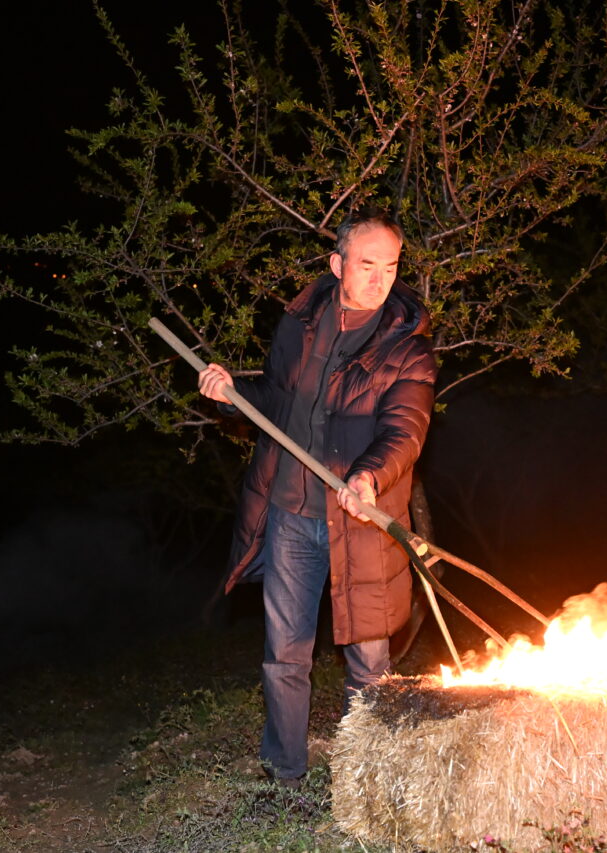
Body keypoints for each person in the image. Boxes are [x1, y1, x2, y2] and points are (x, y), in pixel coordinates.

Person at [197, 208, 436, 786]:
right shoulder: (298, 326)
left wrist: (370, 477)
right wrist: (232, 393)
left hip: (361, 520)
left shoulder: (407, 347)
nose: (380, 280)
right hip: (290, 514)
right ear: (337, 265)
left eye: (391, 267)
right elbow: (277, 405)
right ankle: (285, 771)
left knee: (369, 661)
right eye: (366, 265)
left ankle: (365, 779)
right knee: (286, 652)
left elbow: (406, 429)